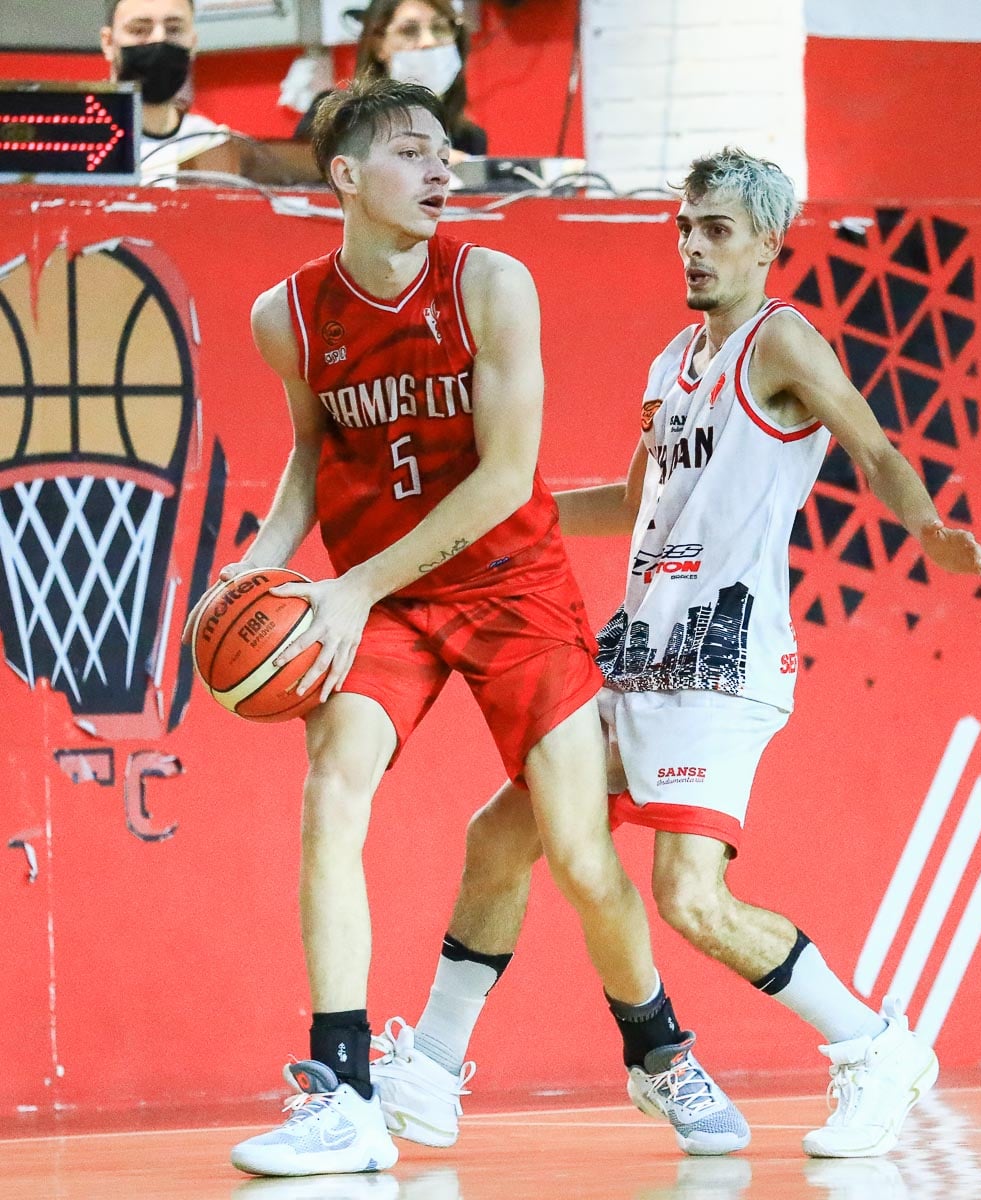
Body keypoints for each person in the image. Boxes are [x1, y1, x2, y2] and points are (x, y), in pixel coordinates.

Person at [370, 148, 981, 1160]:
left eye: (716, 230)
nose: (694, 247)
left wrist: (926, 525)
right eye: (685, 226)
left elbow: (872, 446)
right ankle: (434, 1072)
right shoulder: (672, 363)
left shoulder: (780, 340)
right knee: (499, 836)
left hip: (725, 661)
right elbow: (627, 502)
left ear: (767, 246)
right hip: (638, 653)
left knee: (689, 898)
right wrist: (477, 520)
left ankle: (875, 1045)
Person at [198, 78, 747, 1178]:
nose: (443, 169)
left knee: (583, 857)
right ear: (346, 177)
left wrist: (347, 589)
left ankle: (658, 1047)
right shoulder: (287, 317)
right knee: (330, 789)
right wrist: (264, 559)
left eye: (448, 150)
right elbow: (316, 455)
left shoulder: (492, 283)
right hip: (384, 592)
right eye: (413, 152)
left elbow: (505, 481)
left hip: (511, 584)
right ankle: (344, 1088)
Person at [295, 0, 486, 163]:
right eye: (409, 30)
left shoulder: (469, 138)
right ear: (378, 46)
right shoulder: (337, 117)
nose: (428, 41)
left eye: (440, 28)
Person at [100, 0, 233, 175]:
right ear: (108, 43)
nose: (159, 39)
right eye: (139, 30)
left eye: (174, 29)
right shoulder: (77, 138)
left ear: (192, 43)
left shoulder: (210, 143)